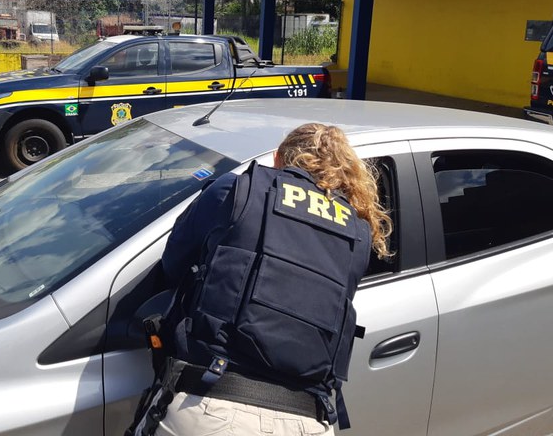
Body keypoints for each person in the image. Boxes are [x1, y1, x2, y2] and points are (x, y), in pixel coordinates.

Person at [130, 123, 392, 436]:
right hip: (307, 421)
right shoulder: (358, 232)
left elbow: (174, 264)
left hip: (212, 404)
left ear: (278, 158)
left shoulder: (237, 190)